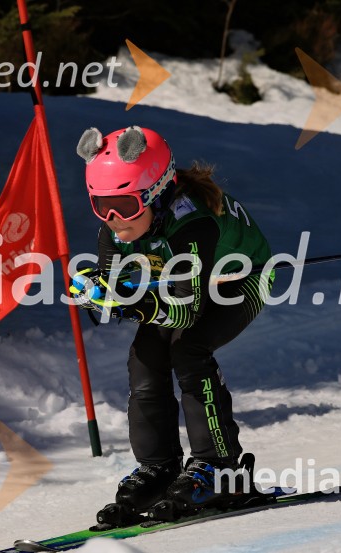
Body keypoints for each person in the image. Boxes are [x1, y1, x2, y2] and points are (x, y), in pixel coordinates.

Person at [73, 125, 274, 524]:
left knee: (189, 348)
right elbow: (118, 294)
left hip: (242, 279)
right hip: (186, 282)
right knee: (144, 356)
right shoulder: (115, 232)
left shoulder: (192, 223)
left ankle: (220, 467)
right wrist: (99, 291)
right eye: (101, 205)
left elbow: (183, 311)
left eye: (125, 205)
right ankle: (160, 467)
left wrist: (132, 304)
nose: (113, 219)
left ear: (157, 192)